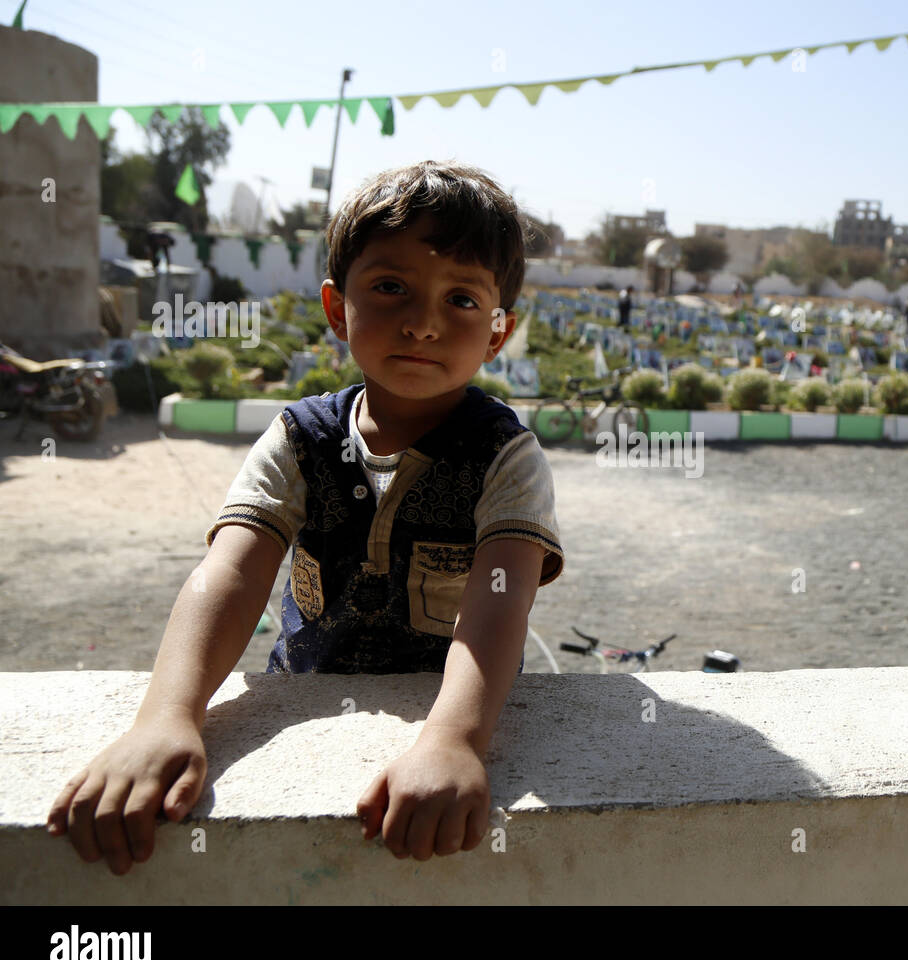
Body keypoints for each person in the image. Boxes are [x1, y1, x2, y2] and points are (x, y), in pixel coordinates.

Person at [47, 160, 565, 873]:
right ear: (335, 306)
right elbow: (229, 571)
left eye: (463, 301)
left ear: (499, 332)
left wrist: (453, 738)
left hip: (434, 720)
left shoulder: (505, 457)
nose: (422, 322)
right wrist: (167, 716)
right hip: (300, 693)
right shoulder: (298, 438)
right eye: (391, 288)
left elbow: (500, 601)